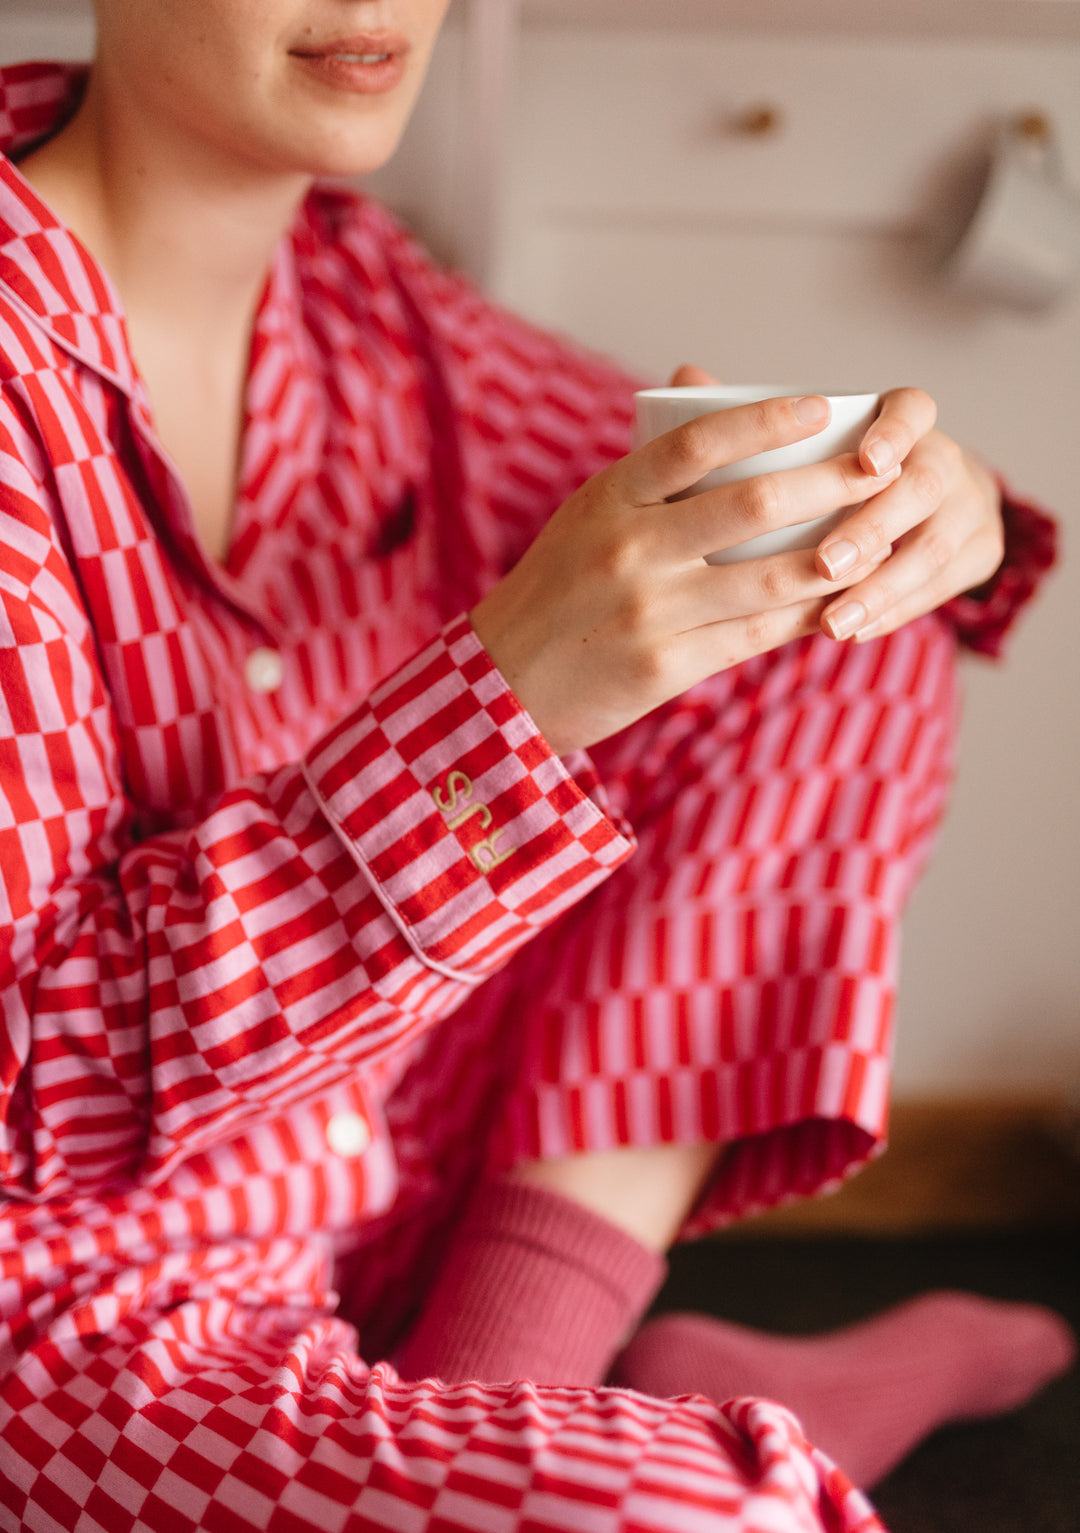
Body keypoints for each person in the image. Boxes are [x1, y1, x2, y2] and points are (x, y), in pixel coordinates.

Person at [0, 4, 1072, 1530]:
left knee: (845, 616)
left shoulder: (366, 301)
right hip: (55, 1321)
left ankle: (516, 1385)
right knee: (711, 1517)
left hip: (362, 1195)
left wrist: (909, 505)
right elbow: (34, 1096)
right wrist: (510, 693)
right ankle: (587, 1419)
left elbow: (767, 540)